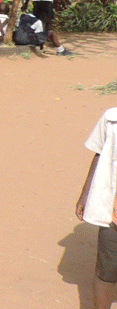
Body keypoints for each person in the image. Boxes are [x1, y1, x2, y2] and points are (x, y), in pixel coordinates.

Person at [76, 107, 117, 309]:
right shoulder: (112, 119)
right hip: (114, 215)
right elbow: (100, 153)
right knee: (106, 272)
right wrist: (86, 193)